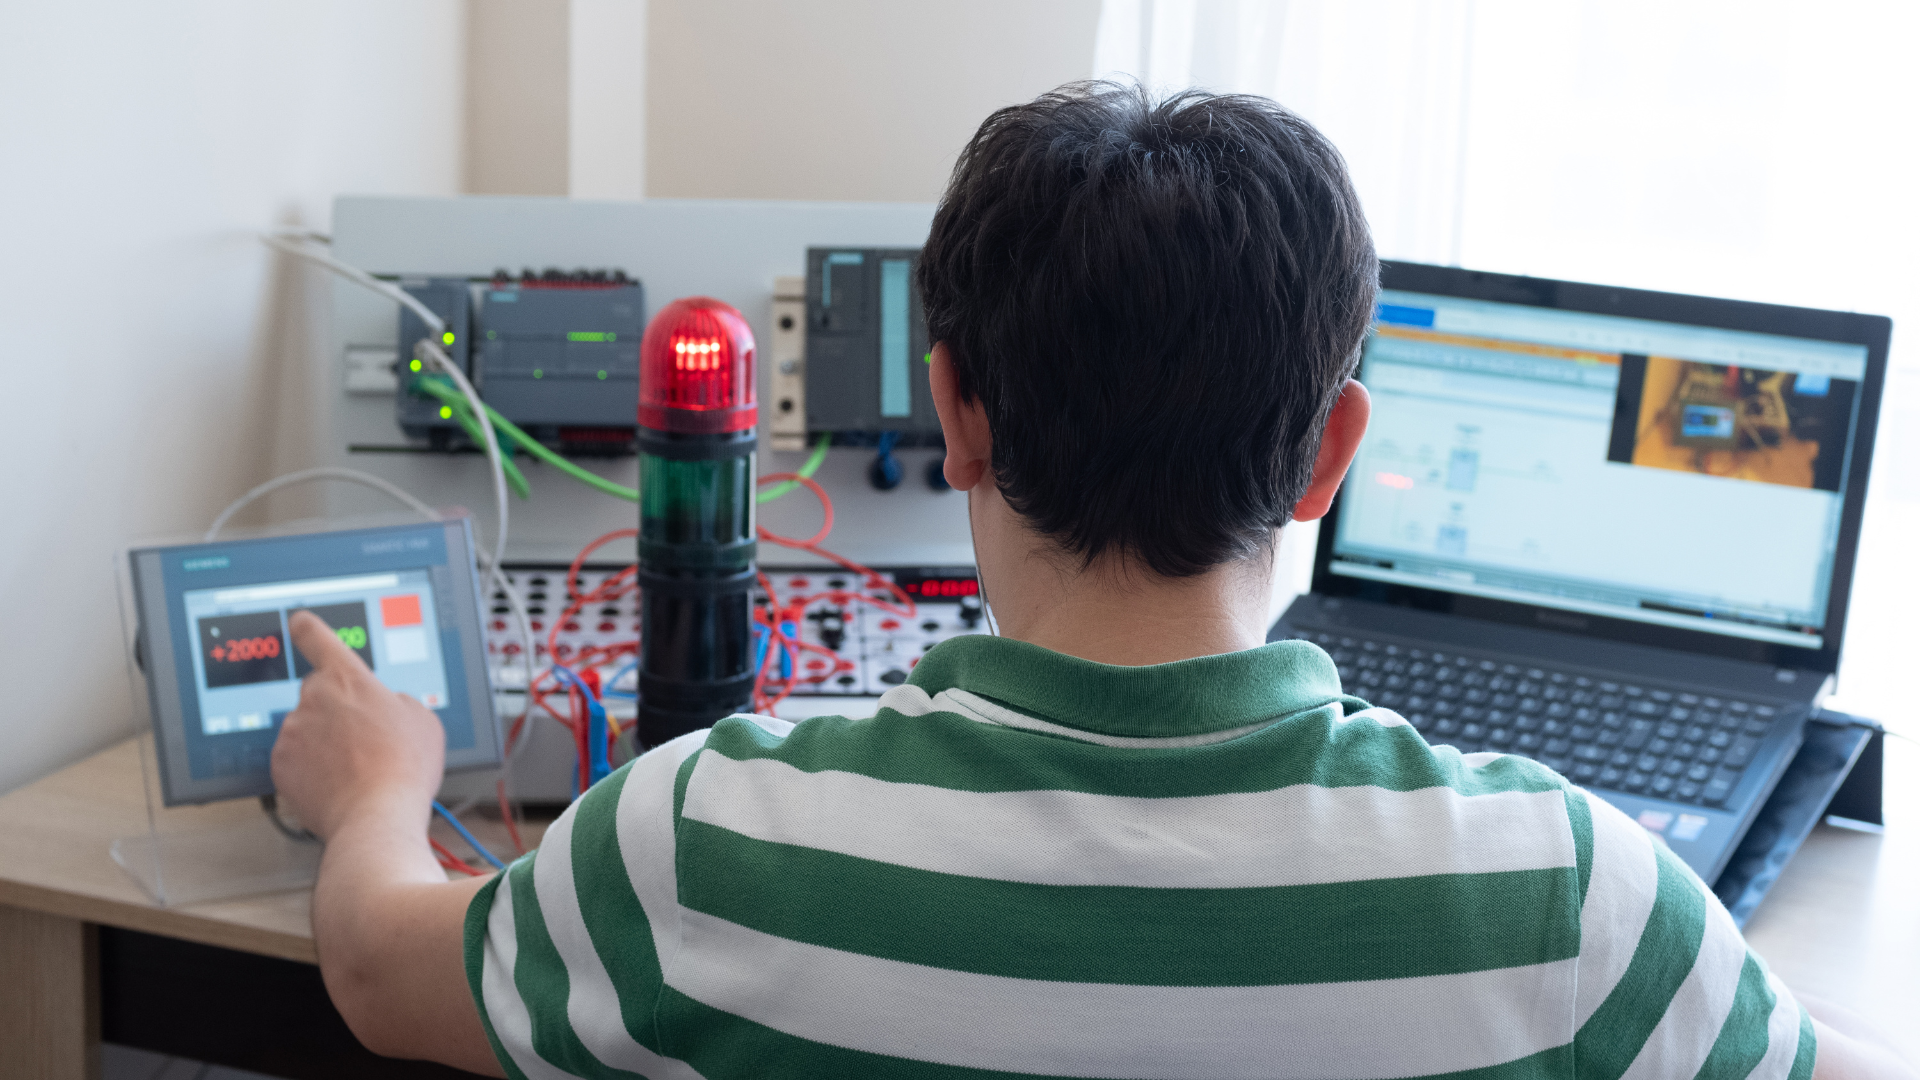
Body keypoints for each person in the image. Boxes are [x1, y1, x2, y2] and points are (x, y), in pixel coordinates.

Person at [271, 82, 1917, 1080]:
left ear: (959, 416)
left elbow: (370, 973)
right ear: (1331, 453)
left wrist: (378, 787)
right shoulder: (1570, 898)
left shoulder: (698, 842)